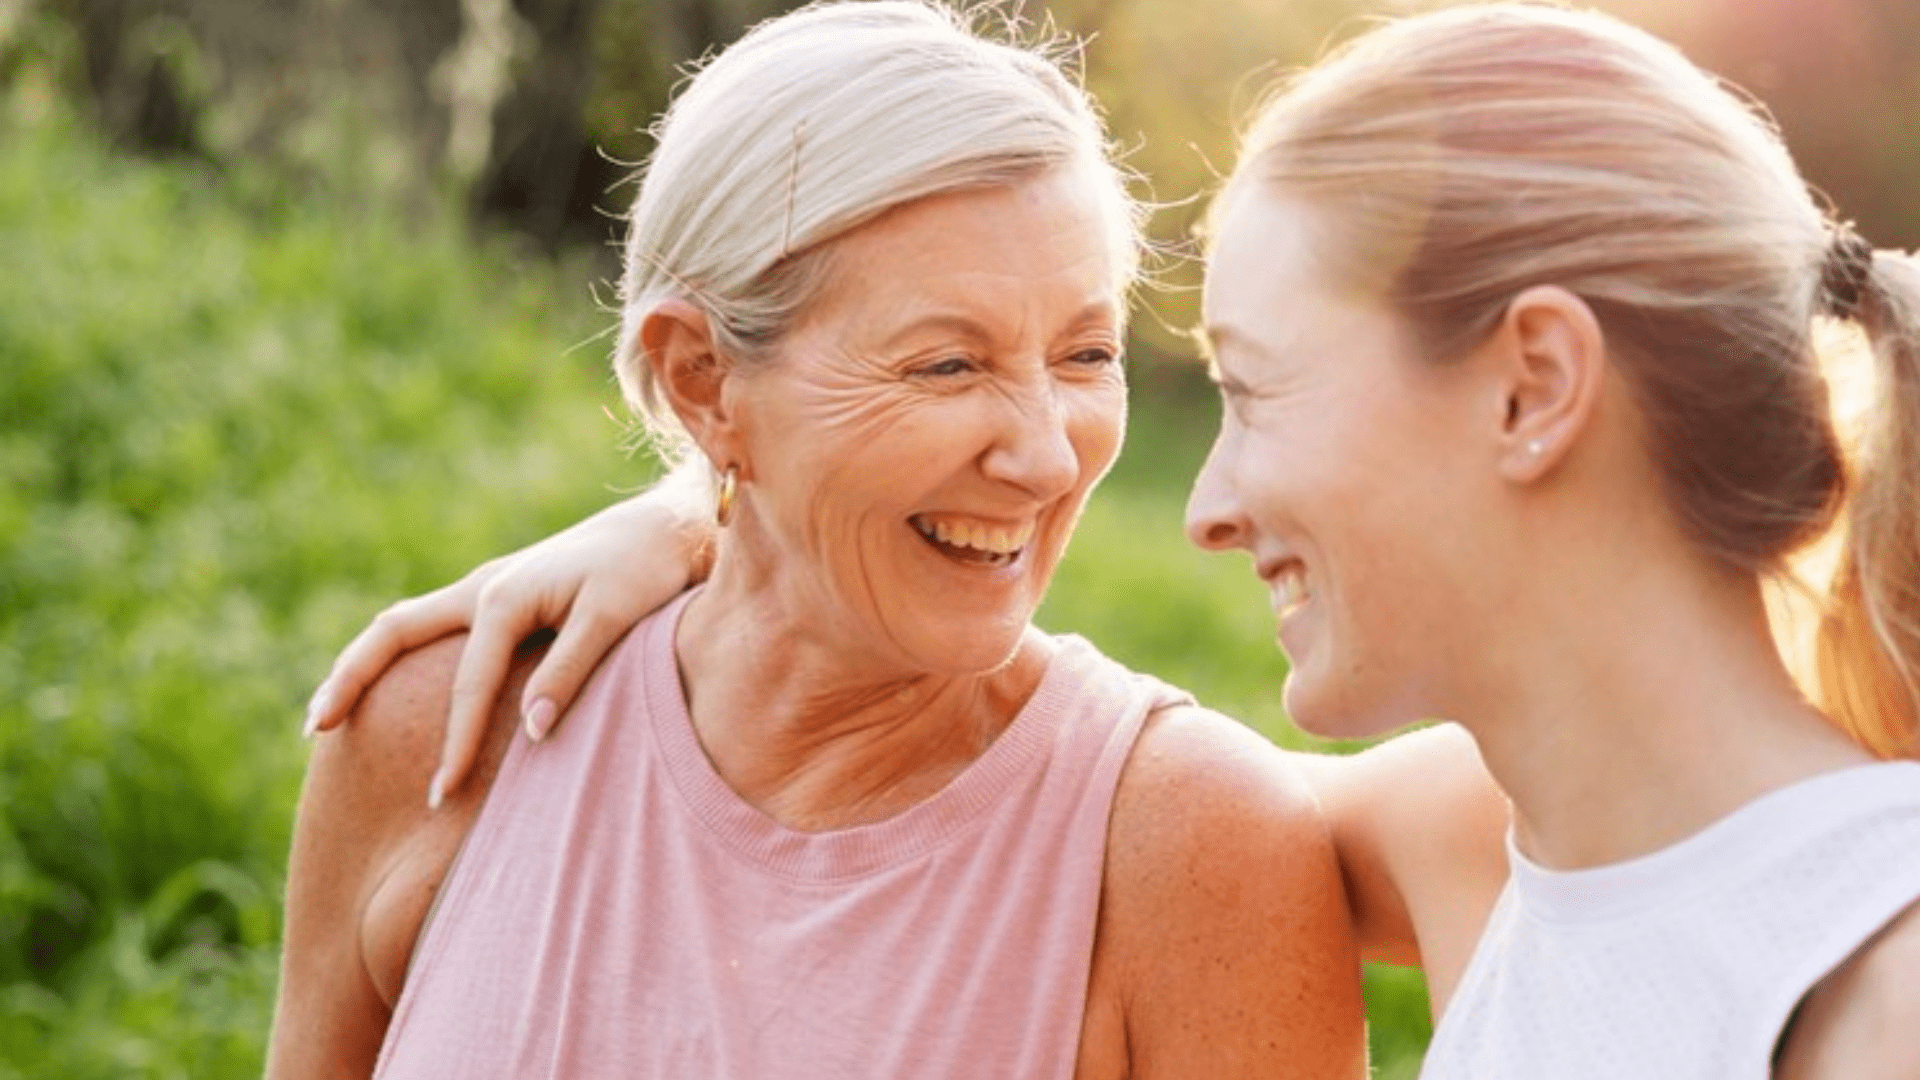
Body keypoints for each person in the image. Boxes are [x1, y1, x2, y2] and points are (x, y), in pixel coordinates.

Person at [303, 3, 1920, 1077]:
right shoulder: (1508, 823)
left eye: (1251, 389)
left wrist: (765, 472)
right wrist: (709, 506)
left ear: (1534, 390)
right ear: (699, 377)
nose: (1195, 505)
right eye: (952, 359)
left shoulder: (1865, 985)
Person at [266, 3, 1367, 1078]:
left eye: (1085, 354)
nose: (1046, 457)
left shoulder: (1195, 850)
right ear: (704, 382)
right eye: (947, 365)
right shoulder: (433, 734)